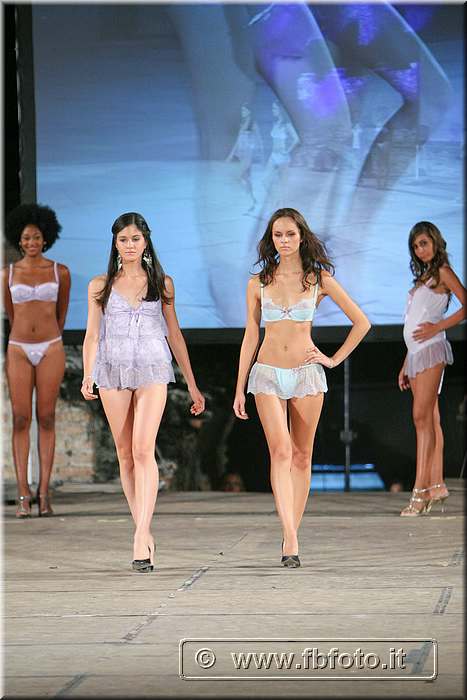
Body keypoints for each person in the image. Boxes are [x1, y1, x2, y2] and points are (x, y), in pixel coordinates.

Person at [233, 207, 371, 567]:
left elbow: (362, 323)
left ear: (301, 236)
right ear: (271, 239)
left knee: (301, 456)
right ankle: (290, 537)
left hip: (306, 374)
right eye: (277, 235)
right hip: (266, 373)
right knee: (280, 452)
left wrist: (333, 359)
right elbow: (250, 336)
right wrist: (239, 387)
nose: (284, 240)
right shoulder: (258, 282)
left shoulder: (318, 279)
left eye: (290, 234)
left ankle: (291, 530)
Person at [81, 212, 205, 571]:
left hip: (152, 368)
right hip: (113, 368)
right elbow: (92, 335)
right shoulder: (100, 286)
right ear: (115, 244)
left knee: (142, 449)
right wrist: (88, 374)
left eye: (135, 238)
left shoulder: (162, 284)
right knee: (125, 454)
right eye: (123, 239)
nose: (130, 245)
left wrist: (192, 383)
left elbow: (174, 335)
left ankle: (140, 537)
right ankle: (143, 530)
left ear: (146, 241)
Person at [3, 203, 71, 518]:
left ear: (46, 239)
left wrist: (48, 338)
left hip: (50, 347)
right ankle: (23, 495)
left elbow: (61, 315)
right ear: (19, 240)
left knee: (46, 417)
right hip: (18, 347)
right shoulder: (7, 274)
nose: (31, 242)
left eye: (37, 237)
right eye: (26, 237)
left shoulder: (60, 272)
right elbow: (11, 314)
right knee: (20, 419)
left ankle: (44, 494)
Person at [398, 221, 465, 516]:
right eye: (415, 246)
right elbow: (413, 323)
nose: (420, 250)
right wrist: (405, 362)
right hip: (415, 355)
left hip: (431, 350)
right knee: (431, 420)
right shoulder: (425, 277)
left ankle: (420, 492)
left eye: (424, 243)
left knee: (421, 418)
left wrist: (438, 327)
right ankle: (436, 486)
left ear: (435, 242)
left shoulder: (443, 272)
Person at [226, 104, 264, 213]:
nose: (242, 112)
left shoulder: (252, 124)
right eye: (242, 110)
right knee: (247, 179)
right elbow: (238, 140)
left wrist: (261, 156)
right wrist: (231, 154)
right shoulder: (242, 123)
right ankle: (253, 202)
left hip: (248, 154)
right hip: (241, 153)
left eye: (244, 110)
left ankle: (249, 199)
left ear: (249, 111)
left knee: (239, 177)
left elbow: (259, 140)